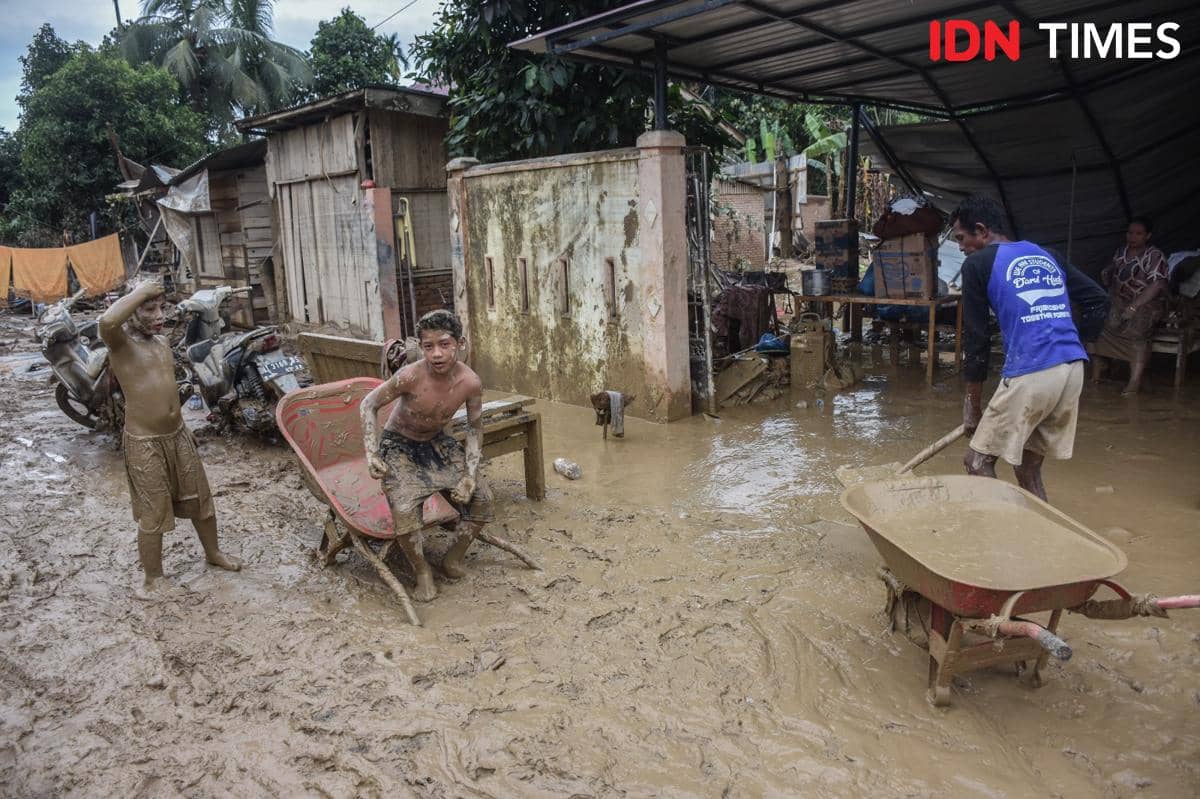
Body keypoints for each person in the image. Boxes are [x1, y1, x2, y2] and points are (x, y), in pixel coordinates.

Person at [951, 194, 1108, 501]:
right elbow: (1098, 299)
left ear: (981, 231)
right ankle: (1043, 539)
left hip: (1033, 372)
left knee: (977, 462)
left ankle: (1003, 540)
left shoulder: (977, 263)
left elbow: (977, 338)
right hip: (1072, 369)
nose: (960, 247)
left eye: (961, 238)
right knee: (1028, 467)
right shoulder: (1046, 253)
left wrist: (972, 405)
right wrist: (1074, 341)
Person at [99, 278, 242, 591]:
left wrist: (185, 427)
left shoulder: (161, 343)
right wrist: (140, 293)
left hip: (178, 434)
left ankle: (214, 553)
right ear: (132, 311)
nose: (159, 315)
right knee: (153, 512)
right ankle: (154, 576)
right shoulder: (121, 344)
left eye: (162, 307)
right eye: (149, 309)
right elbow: (107, 321)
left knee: (201, 500)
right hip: (145, 442)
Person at [360, 310, 491, 602]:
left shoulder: (471, 382)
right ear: (420, 347)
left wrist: (470, 475)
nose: (437, 354)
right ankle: (422, 572)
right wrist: (371, 452)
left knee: (482, 499)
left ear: (460, 344)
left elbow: (474, 429)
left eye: (444, 344)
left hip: (436, 442)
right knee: (405, 510)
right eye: (428, 346)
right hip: (399, 445)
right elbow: (368, 404)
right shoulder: (409, 375)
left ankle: (451, 560)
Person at [1089, 217, 1170, 394]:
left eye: (1138, 233)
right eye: (1130, 232)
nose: (1133, 237)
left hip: (1149, 303)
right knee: (1100, 320)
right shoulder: (1121, 252)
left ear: (1148, 236)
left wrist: (1134, 306)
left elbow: (1156, 285)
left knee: (1137, 329)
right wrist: (1108, 271)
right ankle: (1099, 371)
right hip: (1121, 300)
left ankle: (1134, 380)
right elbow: (1114, 270)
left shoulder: (1154, 256)